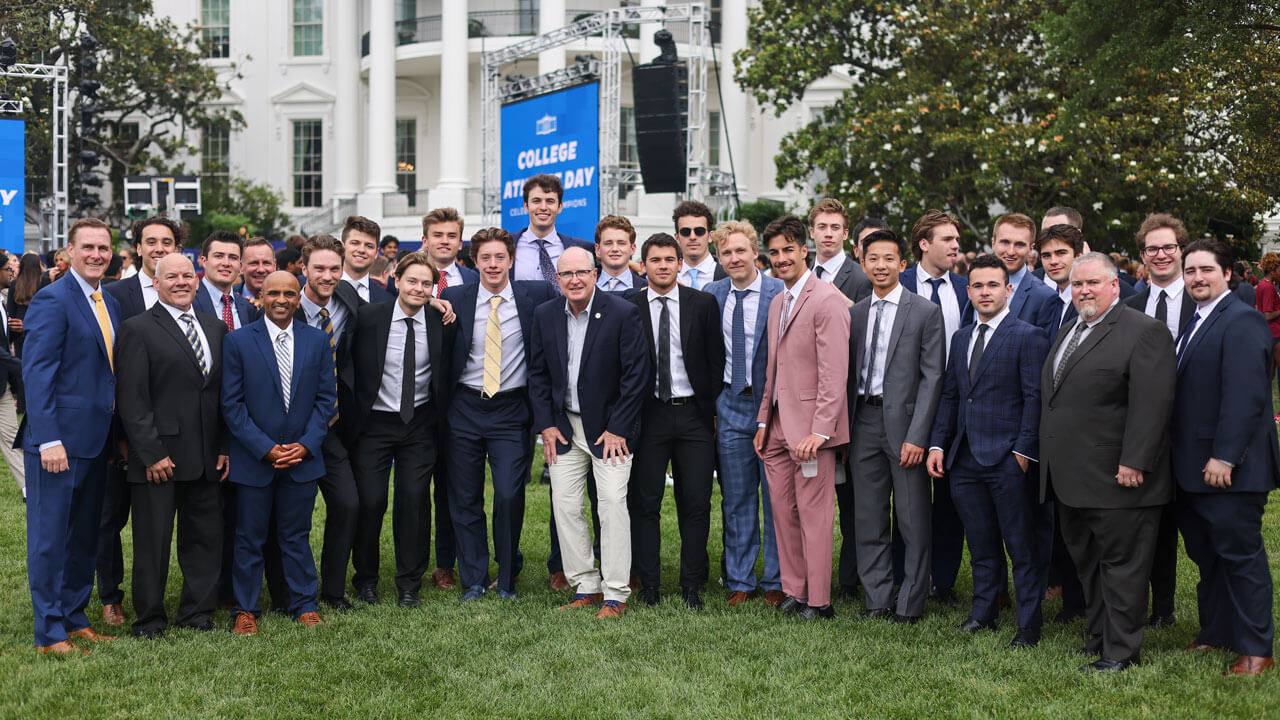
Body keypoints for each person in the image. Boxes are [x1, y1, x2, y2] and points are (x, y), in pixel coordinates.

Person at [1039, 252, 1175, 672]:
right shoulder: (1069, 330)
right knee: (1090, 565)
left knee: (1122, 568)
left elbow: (1152, 406)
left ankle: (1120, 652)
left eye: (1093, 283)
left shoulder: (1143, 331)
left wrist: (1135, 461)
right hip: (1071, 479)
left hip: (1120, 479)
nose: (1084, 291)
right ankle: (1100, 634)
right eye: (1078, 285)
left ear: (1115, 286)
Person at [927, 254, 1048, 647]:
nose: (985, 292)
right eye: (977, 285)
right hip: (964, 461)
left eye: (993, 285)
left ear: (1007, 290)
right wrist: (937, 444)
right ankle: (984, 613)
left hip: (1008, 461)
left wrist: (1023, 454)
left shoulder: (1027, 336)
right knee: (979, 545)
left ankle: (1028, 625)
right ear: (969, 291)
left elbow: (1034, 399)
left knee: (1020, 547)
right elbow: (950, 397)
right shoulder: (961, 336)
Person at [1173, 239, 1279, 676]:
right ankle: (1216, 633)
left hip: (1230, 469)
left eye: (1206, 270)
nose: (1197, 278)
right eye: (1190, 270)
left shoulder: (1242, 320)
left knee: (1240, 556)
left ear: (1227, 274)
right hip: (1194, 468)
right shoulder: (1196, 321)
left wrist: (1225, 456)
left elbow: (1246, 394)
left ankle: (1257, 650)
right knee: (1209, 556)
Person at [528, 247, 650, 618]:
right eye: (567, 274)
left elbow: (636, 376)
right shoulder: (545, 314)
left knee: (612, 505)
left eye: (581, 272)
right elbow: (537, 374)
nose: (575, 280)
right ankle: (586, 585)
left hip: (609, 431)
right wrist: (546, 424)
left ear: (595, 274)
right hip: (564, 427)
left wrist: (619, 428)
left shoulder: (623, 313)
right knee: (564, 506)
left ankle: (616, 592)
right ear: (558, 279)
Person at [116, 254, 228, 639]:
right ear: (157, 282)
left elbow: (221, 395)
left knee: (203, 539)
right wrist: (150, 452)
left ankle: (197, 613)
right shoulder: (137, 329)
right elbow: (132, 399)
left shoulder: (215, 328)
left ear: (196, 281)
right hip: (157, 458)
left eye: (187, 276)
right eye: (172, 277)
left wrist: (224, 446)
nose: (181, 282)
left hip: (206, 456)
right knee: (153, 543)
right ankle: (149, 619)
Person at [22, 217, 120, 654]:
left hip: (96, 441)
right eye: (89, 247)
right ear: (68, 252)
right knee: (50, 538)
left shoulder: (108, 301)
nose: (97, 254)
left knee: (84, 535)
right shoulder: (52, 299)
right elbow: (37, 374)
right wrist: (48, 439)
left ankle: (76, 616)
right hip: (57, 443)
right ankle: (49, 632)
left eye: (104, 247)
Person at [441, 228, 555, 601]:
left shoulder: (534, 297)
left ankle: (506, 577)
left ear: (510, 260)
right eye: (485, 258)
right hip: (465, 407)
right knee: (465, 496)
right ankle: (474, 577)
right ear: (475, 261)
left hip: (510, 410)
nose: (493, 264)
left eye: (499, 257)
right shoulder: (455, 296)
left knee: (508, 494)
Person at [222, 271, 336, 634]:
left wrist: (306, 444)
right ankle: (245, 609)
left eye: (289, 293)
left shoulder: (317, 341)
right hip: (255, 460)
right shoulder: (238, 341)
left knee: (295, 535)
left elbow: (326, 400)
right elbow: (232, 404)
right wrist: (265, 448)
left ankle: (304, 603)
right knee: (249, 537)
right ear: (261, 295)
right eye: (274, 293)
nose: (282, 300)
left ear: (298, 295)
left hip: (303, 458)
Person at [754, 215, 851, 620]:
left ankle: (820, 601)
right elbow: (772, 370)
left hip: (812, 431)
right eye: (774, 252)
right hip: (776, 427)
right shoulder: (779, 300)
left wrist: (821, 430)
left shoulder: (826, 299)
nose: (780, 259)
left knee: (814, 517)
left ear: (803, 251)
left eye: (787, 250)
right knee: (783, 513)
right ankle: (795, 591)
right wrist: (763, 422)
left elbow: (835, 373)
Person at [847, 228, 945, 624]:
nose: (881, 265)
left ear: (902, 264)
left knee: (912, 520)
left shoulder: (924, 311)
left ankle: (910, 603)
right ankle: (877, 598)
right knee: (868, 518)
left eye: (889, 259)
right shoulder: (853, 314)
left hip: (905, 427)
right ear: (864, 263)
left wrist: (918, 435)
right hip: (863, 423)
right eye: (873, 259)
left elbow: (932, 378)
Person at [349, 253, 453, 608]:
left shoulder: (442, 322)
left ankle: (410, 583)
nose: (419, 289)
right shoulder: (368, 317)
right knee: (371, 501)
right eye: (412, 281)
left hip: (420, 424)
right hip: (374, 424)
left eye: (426, 284)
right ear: (396, 279)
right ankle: (365, 579)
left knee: (413, 500)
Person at [628, 233, 724, 609]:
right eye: (656, 260)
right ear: (643, 265)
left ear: (680, 264)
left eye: (670, 259)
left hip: (694, 416)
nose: (664, 265)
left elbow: (716, 360)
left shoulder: (702, 304)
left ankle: (691, 584)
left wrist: (710, 410)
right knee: (645, 501)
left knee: (697, 501)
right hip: (649, 416)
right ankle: (650, 585)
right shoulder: (629, 306)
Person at [94, 216, 180, 628]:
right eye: (152, 241)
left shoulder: (188, 293)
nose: (160, 248)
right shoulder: (113, 295)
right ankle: (111, 597)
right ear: (138, 248)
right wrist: (124, 438)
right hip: (120, 437)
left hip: (171, 438)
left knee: (157, 524)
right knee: (111, 519)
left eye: (167, 241)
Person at [706, 220, 786, 607]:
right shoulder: (712, 294)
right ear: (718, 258)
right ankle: (740, 579)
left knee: (775, 498)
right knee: (736, 497)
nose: (734, 258)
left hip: (772, 407)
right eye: (726, 253)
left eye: (741, 250)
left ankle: (775, 579)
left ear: (756, 252)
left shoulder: (780, 292)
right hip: (729, 404)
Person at [1125, 213, 1195, 630]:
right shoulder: (1130, 306)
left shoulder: (1204, 301)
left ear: (1181, 250)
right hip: (1144, 433)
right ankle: (1161, 608)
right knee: (1153, 523)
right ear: (1142, 256)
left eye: (1169, 246)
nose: (1162, 254)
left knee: (1196, 525)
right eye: (1153, 248)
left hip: (1190, 428)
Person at [899, 209, 968, 608]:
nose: (955, 246)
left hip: (954, 407)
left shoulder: (966, 288)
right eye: (947, 239)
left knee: (948, 499)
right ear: (924, 244)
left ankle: (943, 581)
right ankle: (904, 577)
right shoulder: (901, 284)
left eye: (957, 240)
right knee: (905, 497)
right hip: (905, 404)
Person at [295, 234, 364, 610]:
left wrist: (435, 300)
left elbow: (387, 307)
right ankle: (292, 590)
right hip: (290, 429)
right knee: (295, 517)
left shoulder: (349, 301)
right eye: (319, 268)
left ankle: (334, 592)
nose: (327, 275)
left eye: (334, 268)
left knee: (347, 504)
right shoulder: (284, 304)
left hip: (332, 426)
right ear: (303, 268)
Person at [512, 174, 593, 289]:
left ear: (560, 207)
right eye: (536, 201)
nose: (543, 207)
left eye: (550, 201)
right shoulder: (507, 245)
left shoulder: (583, 248)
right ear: (526, 206)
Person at [990, 213, 1057, 325]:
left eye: (1019, 245)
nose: (1011, 251)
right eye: (1005, 242)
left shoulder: (1044, 297)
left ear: (1031, 249)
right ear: (993, 243)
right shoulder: (973, 287)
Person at [809, 198, 871, 302]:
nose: (828, 234)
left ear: (845, 234)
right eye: (822, 227)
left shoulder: (863, 279)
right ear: (812, 232)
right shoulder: (804, 273)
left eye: (835, 227)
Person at [194, 231, 257, 330]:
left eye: (233, 257)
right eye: (219, 256)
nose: (226, 263)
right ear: (204, 262)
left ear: (240, 267)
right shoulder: (189, 302)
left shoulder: (248, 309)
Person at [0, 251, 22, 499]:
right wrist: (21, 367)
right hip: (6, 374)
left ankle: (29, 487)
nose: (12, 272)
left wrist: (14, 329)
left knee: (12, 436)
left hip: (2, 384)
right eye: (8, 268)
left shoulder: (3, 300)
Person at [423, 207, 479, 298]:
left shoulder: (474, 278)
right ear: (425, 241)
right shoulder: (405, 276)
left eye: (451, 236)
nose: (445, 241)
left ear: (460, 243)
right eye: (437, 235)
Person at [341, 215, 395, 303]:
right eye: (355, 243)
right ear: (342, 247)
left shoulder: (387, 300)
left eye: (369, 246)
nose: (361, 250)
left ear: (376, 253)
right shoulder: (323, 288)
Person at [673, 200, 727, 289]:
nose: (692, 237)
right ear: (677, 238)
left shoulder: (728, 275)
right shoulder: (666, 276)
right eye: (685, 232)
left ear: (710, 236)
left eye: (699, 231)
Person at [8, 252, 50, 357]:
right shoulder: (45, 281)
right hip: (39, 329)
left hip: (18, 329)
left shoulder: (14, 284)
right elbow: (49, 310)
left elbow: (11, 310)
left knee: (21, 364)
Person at [595, 215, 646, 292]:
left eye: (621, 243)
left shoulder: (648, 289)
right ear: (597, 249)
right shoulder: (584, 287)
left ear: (632, 249)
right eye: (608, 243)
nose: (615, 249)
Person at [1255, 252, 1280, 391]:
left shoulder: (1263, 284)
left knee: (1269, 374)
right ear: (1272, 270)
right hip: (1274, 333)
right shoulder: (1268, 287)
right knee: (1270, 374)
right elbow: (1268, 315)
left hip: (1268, 333)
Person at [237, 237, 277, 305]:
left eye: (266, 263)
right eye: (254, 263)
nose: (261, 270)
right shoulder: (228, 298)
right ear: (241, 267)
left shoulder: (287, 301)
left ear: (274, 266)